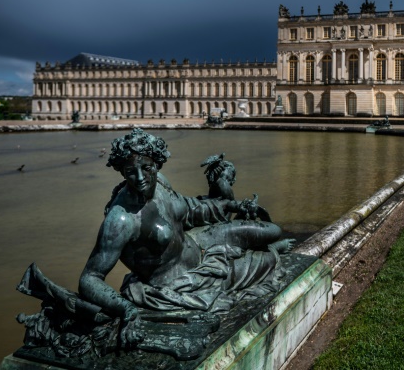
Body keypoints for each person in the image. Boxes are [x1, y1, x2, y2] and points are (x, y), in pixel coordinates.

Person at [79, 129, 292, 344]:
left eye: (146, 168)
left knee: (271, 230)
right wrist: (126, 309)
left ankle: (261, 249)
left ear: (157, 164)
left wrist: (234, 205)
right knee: (267, 259)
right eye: (131, 171)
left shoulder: (160, 182)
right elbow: (89, 278)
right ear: (122, 172)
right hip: (179, 281)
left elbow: (189, 210)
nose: (141, 177)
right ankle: (265, 253)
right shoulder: (121, 219)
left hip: (198, 242)